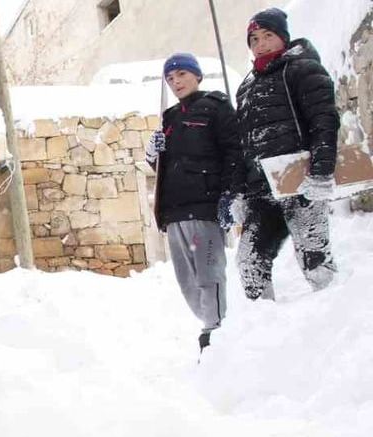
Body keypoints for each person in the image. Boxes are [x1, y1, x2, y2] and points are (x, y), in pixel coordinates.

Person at [228, 7, 340, 301]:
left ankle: (337, 320)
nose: (261, 44)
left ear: (283, 37)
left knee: (314, 257)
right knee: (249, 261)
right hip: (262, 191)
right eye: (254, 39)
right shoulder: (246, 88)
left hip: (301, 182)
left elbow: (324, 120)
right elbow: (243, 143)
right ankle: (264, 326)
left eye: (268, 35)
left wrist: (320, 172)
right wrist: (240, 191)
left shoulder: (302, 68)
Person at [145, 52, 241, 352]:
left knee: (208, 270)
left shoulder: (216, 107)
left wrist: (230, 193)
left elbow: (233, 152)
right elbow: (163, 168)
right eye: (170, 79)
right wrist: (153, 154)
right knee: (186, 278)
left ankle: (215, 328)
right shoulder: (169, 118)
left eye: (182, 75)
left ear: (197, 75)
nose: (176, 82)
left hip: (203, 206)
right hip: (174, 212)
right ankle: (210, 321)